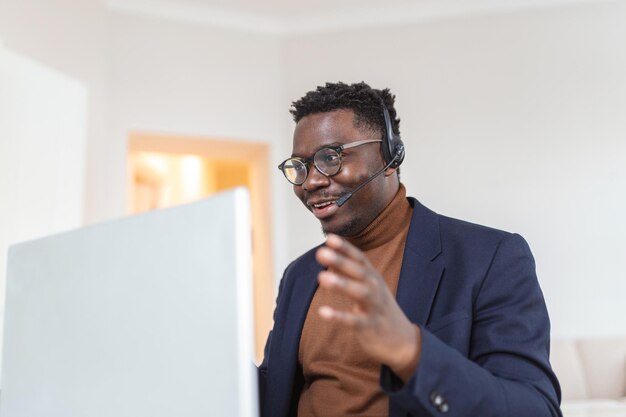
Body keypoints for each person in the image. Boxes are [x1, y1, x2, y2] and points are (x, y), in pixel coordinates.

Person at [258, 81, 562, 417]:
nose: (311, 181)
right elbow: (275, 388)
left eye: (330, 157)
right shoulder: (300, 274)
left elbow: (535, 409)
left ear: (390, 155)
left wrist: (410, 349)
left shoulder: (490, 257)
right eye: (300, 167)